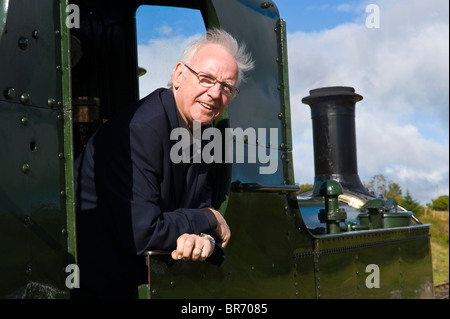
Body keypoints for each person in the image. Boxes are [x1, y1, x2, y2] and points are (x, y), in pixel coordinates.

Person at [72, 28, 254, 298]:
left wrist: (201, 237)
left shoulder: (201, 132)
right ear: (179, 75)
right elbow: (143, 232)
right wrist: (208, 219)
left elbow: (196, 207)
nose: (215, 94)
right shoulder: (142, 129)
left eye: (226, 87)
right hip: (99, 288)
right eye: (206, 79)